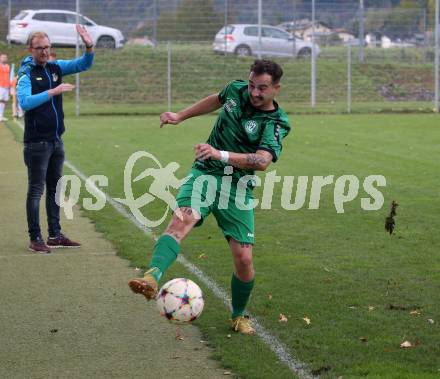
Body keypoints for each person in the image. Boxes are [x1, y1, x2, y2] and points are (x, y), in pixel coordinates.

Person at [128, 60, 291, 334]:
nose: (254, 92)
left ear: (277, 88)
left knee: (244, 259)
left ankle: (238, 315)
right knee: (182, 221)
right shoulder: (236, 90)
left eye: (262, 88)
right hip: (204, 174)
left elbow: (262, 161)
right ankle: (152, 278)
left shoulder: (275, 122)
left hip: (237, 187)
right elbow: (215, 100)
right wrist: (180, 115)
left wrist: (220, 153)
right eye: (252, 85)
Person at [17, 25, 95, 253]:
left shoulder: (55, 67)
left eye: (47, 47)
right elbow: (25, 102)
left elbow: (84, 64)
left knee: (55, 189)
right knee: (36, 191)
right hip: (36, 143)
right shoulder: (26, 74)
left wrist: (89, 45)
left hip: (55, 140)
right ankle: (35, 238)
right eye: (40, 48)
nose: (44, 51)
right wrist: (54, 91)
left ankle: (55, 235)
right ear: (31, 49)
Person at [0, 53, 11, 121]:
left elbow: (9, 76)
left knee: (4, 101)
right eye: (3, 57)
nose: (4, 58)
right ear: (0, 58)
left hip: (6, 86)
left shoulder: (7, 66)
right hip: (0, 86)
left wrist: (9, 86)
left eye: (5, 57)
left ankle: (1, 115)